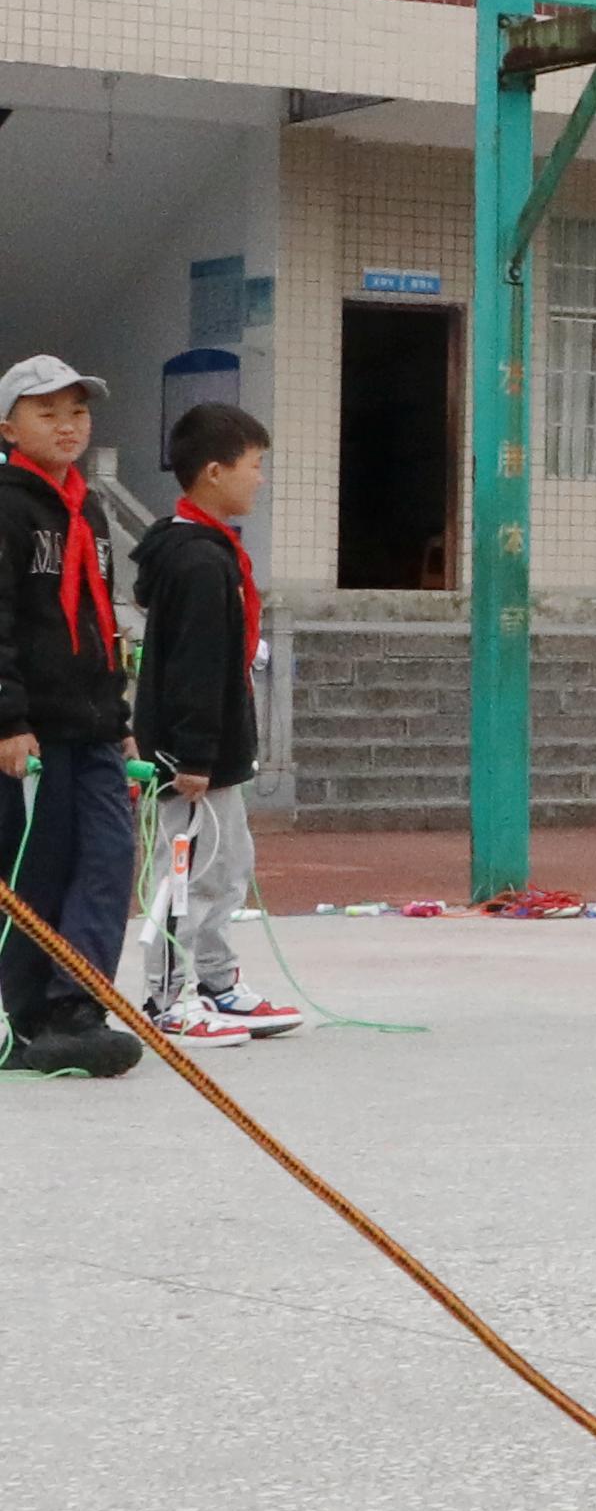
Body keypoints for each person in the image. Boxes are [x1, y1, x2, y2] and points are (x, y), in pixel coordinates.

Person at [127, 400, 299, 1047]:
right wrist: (194, 754)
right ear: (214, 471)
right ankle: (166, 999)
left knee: (227, 868)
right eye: (254, 466)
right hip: (190, 756)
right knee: (186, 872)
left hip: (216, 750)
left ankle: (218, 981)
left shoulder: (211, 551)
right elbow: (196, 666)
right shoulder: (199, 563)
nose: (261, 478)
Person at [0, 354, 142, 1080]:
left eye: (78, 411)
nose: (67, 424)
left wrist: (117, 713)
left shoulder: (86, 506)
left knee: (113, 856)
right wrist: (7, 718)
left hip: (89, 722)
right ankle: (23, 1018)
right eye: (47, 411)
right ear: (8, 426)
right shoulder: (9, 505)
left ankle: (76, 1002)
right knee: (39, 869)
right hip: (33, 730)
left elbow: (97, 620)